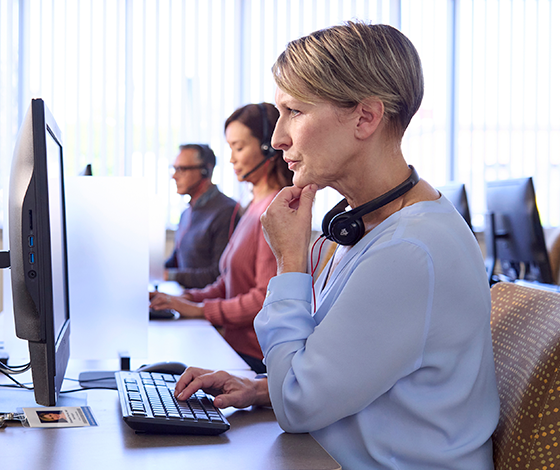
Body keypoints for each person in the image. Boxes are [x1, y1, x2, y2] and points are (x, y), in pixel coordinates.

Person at [174, 22, 500, 469]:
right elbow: (348, 369)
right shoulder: (370, 225)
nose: (277, 138)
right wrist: (260, 388)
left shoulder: (409, 251)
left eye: (295, 112)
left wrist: (290, 262)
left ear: (366, 117)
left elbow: (300, 406)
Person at [151, 103, 294, 374]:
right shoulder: (252, 205)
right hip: (232, 345)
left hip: (253, 358)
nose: (231, 159)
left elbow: (262, 299)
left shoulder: (276, 210)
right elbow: (228, 284)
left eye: (239, 148)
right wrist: (185, 300)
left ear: (268, 148)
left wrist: (199, 310)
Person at [164, 144, 241, 289]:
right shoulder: (186, 213)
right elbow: (175, 260)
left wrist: (169, 276)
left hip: (204, 305)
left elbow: (218, 275)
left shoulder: (226, 211)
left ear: (205, 170)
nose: (174, 176)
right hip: (184, 299)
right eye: (174, 169)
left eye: (181, 169)